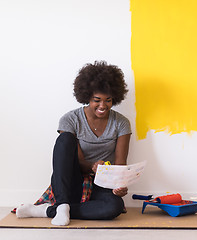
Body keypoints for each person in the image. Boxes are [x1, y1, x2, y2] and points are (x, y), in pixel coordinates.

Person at [16, 61, 131, 226]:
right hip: (72, 182)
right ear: (86, 97)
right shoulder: (70, 120)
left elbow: (120, 164)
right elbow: (75, 162)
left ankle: (47, 210)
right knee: (65, 139)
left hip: (103, 182)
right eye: (96, 100)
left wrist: (120, 185)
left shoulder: (121, 123)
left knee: (115, 207)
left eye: (108, 100)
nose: (102, 106)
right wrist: (92, 166)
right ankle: (62, 204)